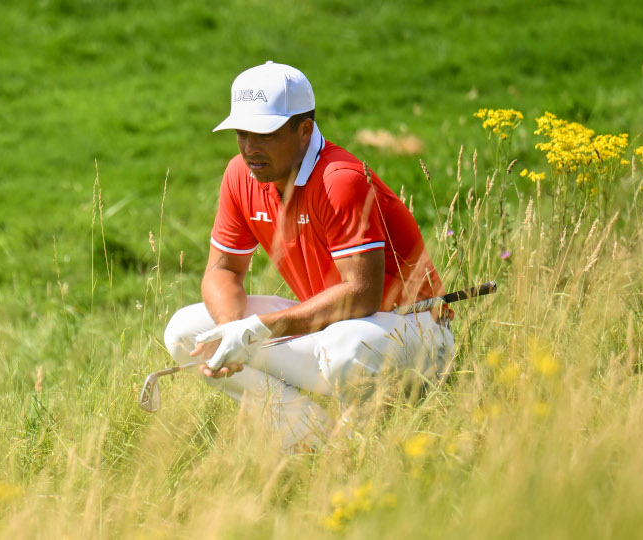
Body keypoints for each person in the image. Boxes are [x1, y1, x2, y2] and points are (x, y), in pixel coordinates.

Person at [163, 61, 453, 451]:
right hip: (333, 329)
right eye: (241, 134)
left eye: (263, 133)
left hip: (415, 334)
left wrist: (261, 329)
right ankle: (324, 446)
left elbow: (362, 295)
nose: (250, 148)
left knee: (347, 351)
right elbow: (223, 269)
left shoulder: (340, 180)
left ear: (304, 130)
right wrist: (232, 328)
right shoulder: (241, 175)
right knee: (188, 332)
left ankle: (362, 447)